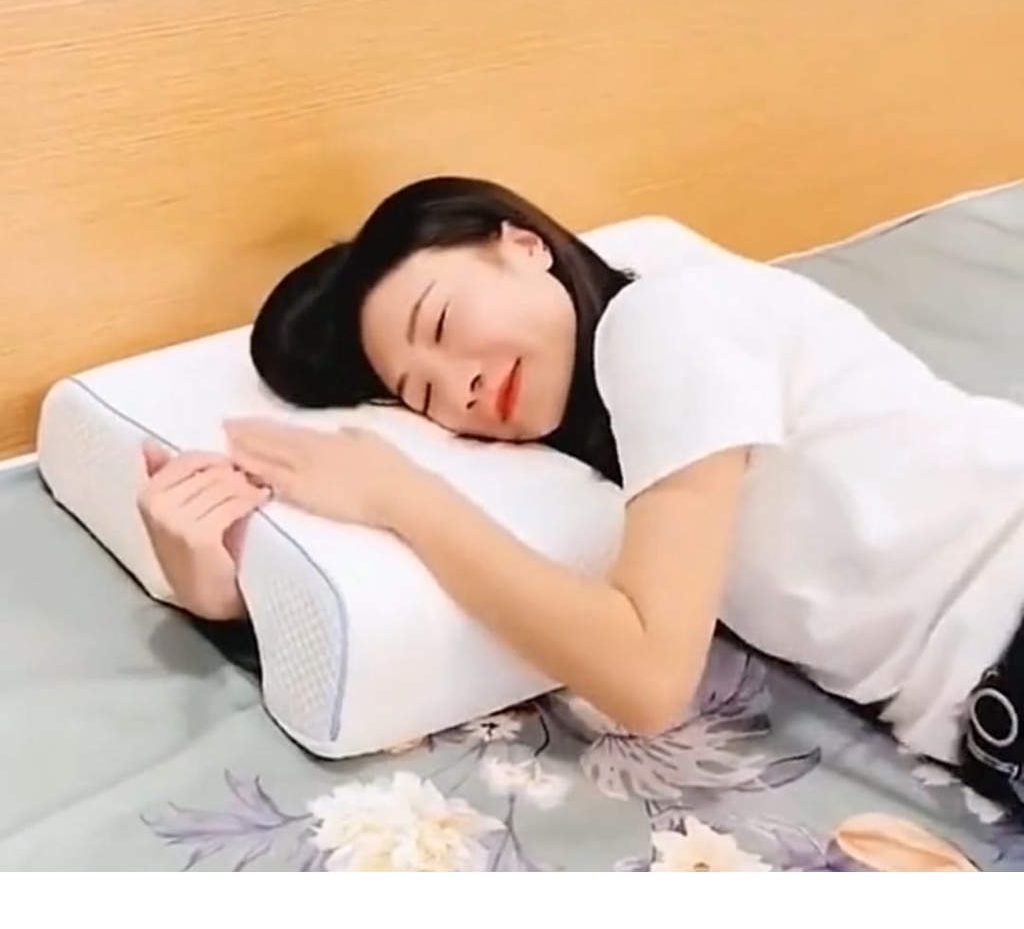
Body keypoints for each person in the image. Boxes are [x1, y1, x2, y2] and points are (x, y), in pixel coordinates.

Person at [138, 175, 1024, 810]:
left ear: (523, 245)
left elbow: (647, 678)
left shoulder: (661, 321)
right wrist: (234, 597)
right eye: (424, 393)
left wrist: (403, 497)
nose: (461, 386)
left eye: (442, 322)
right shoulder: (610, 467)